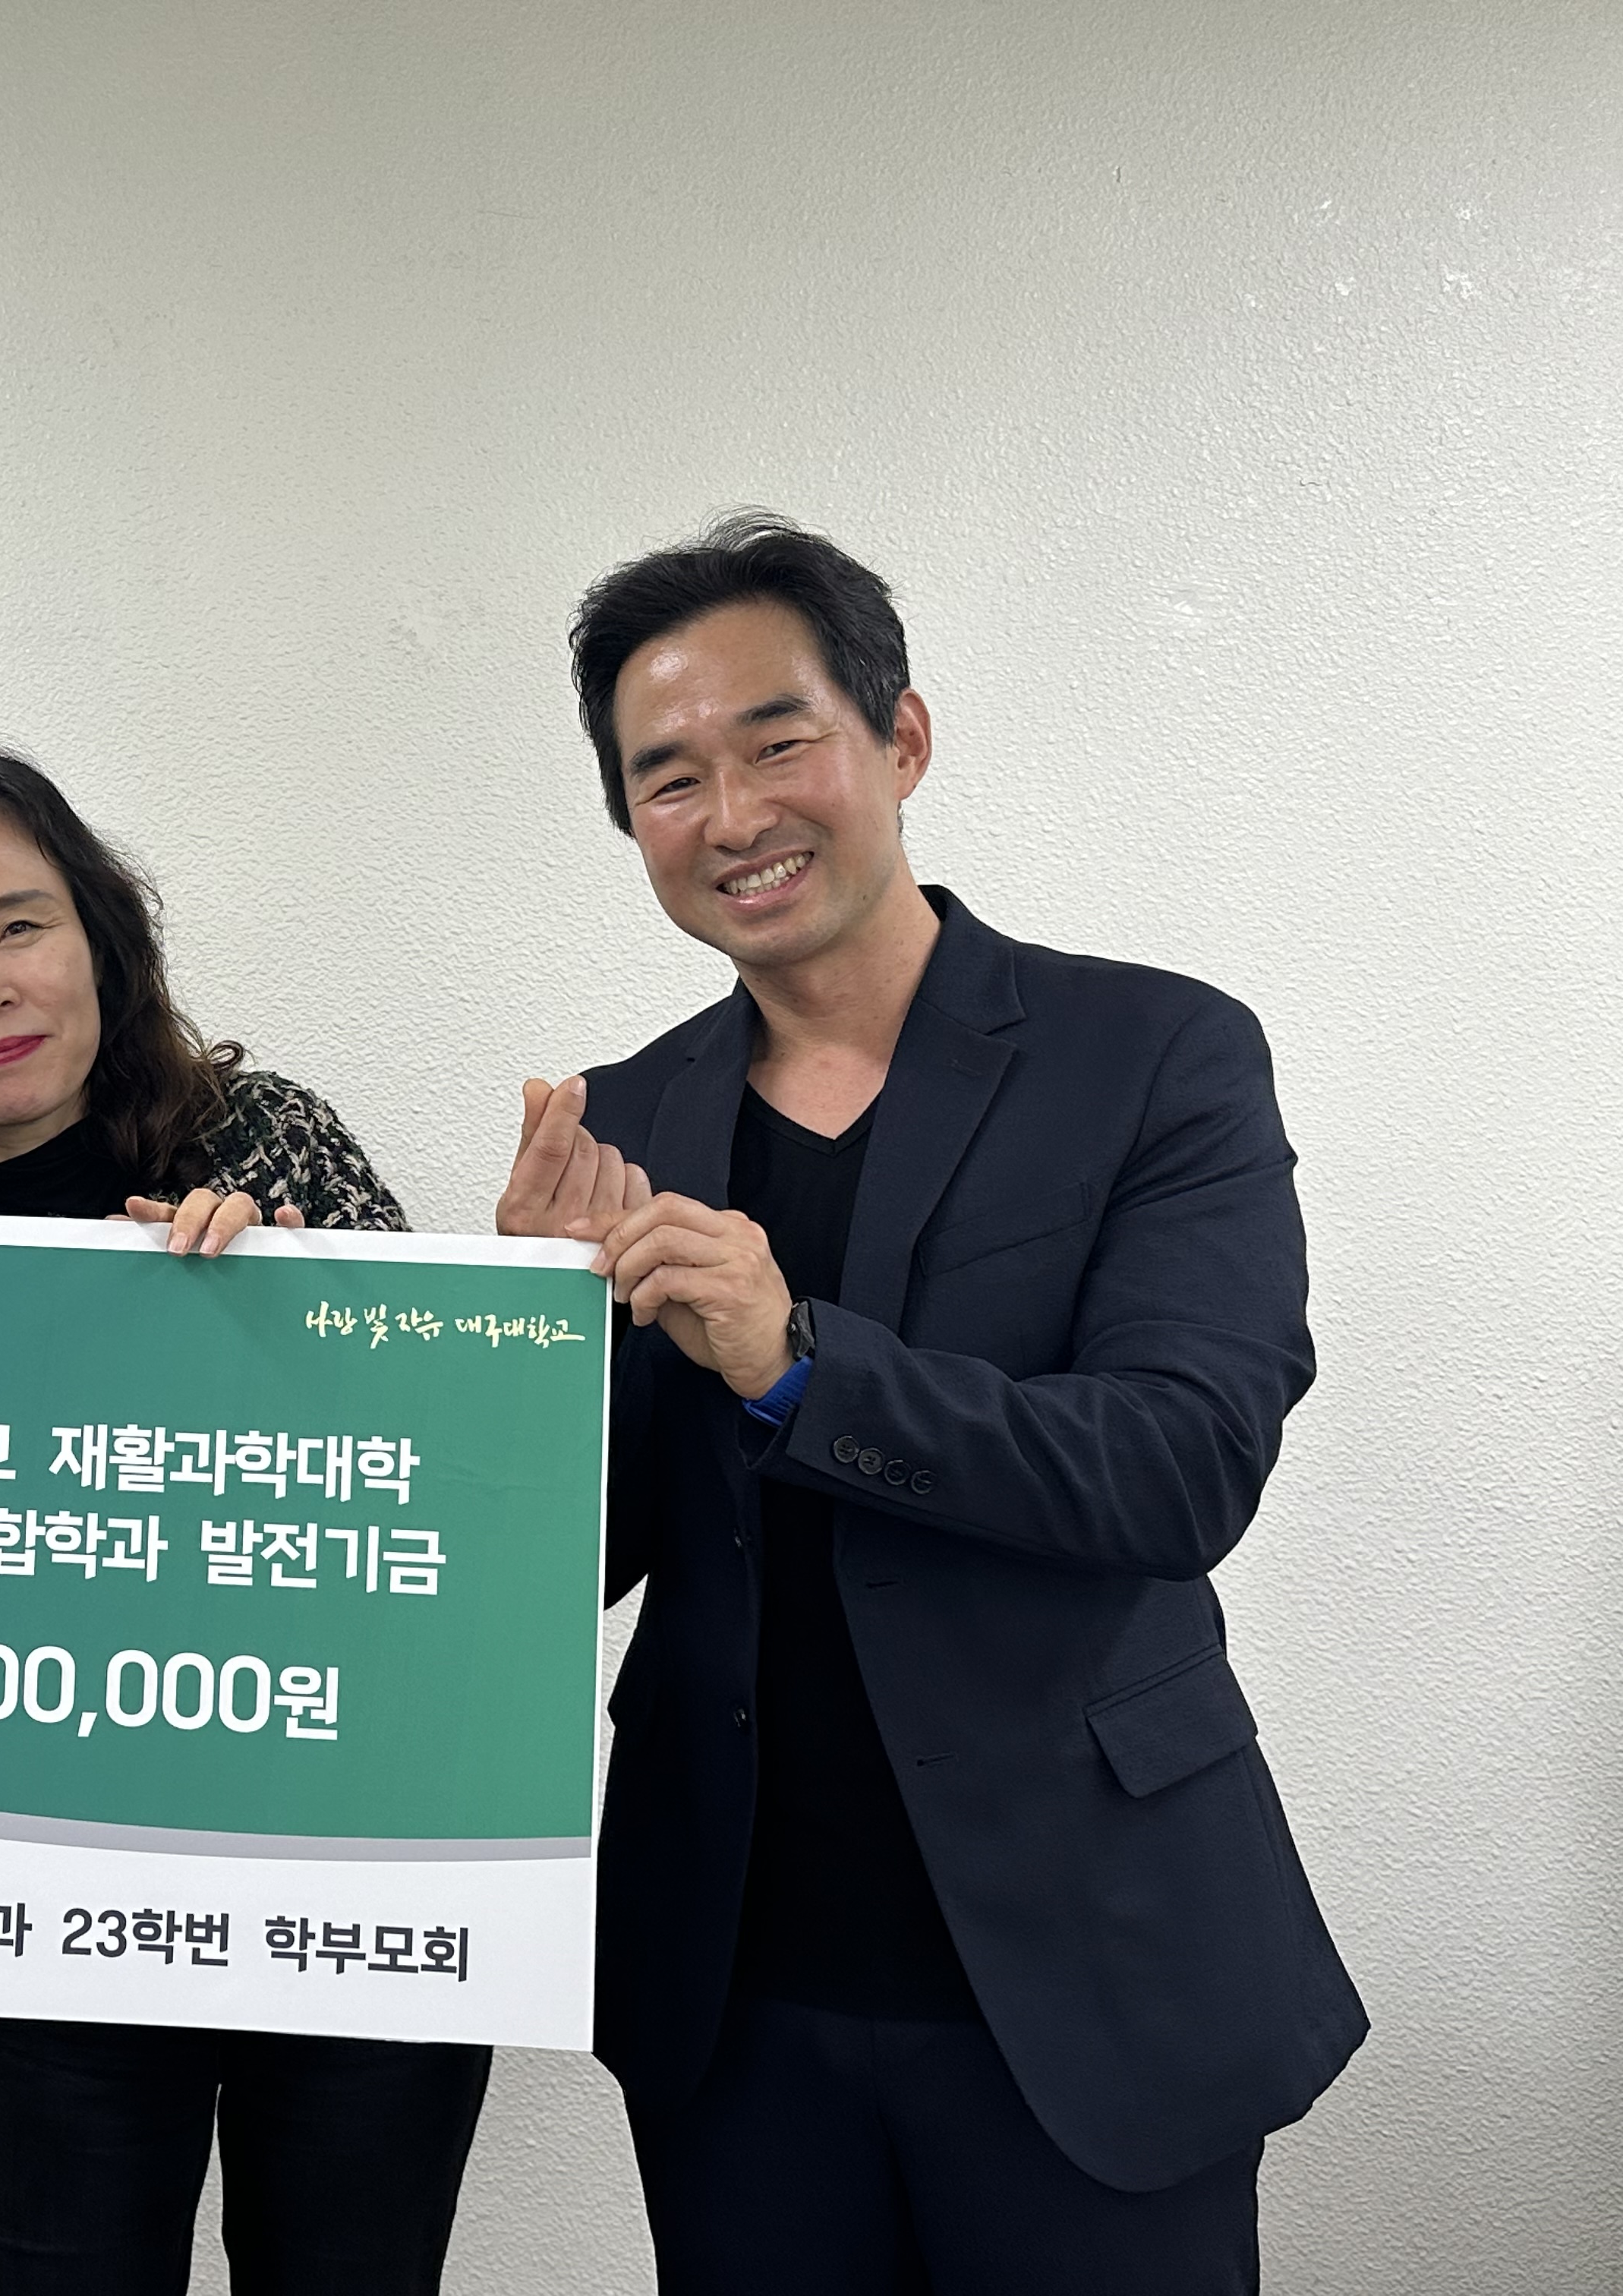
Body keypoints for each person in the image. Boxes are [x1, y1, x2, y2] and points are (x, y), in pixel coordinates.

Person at [498, 513, 1365, 2292]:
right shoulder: (623, 1120)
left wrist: (798, 1359)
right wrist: (531, 1352)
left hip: (1092, 1967)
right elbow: (576, 1561)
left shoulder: (1157, 1055)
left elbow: (1183, 1465)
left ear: (899, 739)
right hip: (735, 1992)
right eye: (669, 778)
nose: (732, 815)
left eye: (778, 743)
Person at [0, 748, 482, 2294]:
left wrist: (292, 1315)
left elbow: (443, 1499)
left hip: (347, 1882)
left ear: (101, 937)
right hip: (56, 1907)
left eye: (22, 925)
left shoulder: (266, 1137)